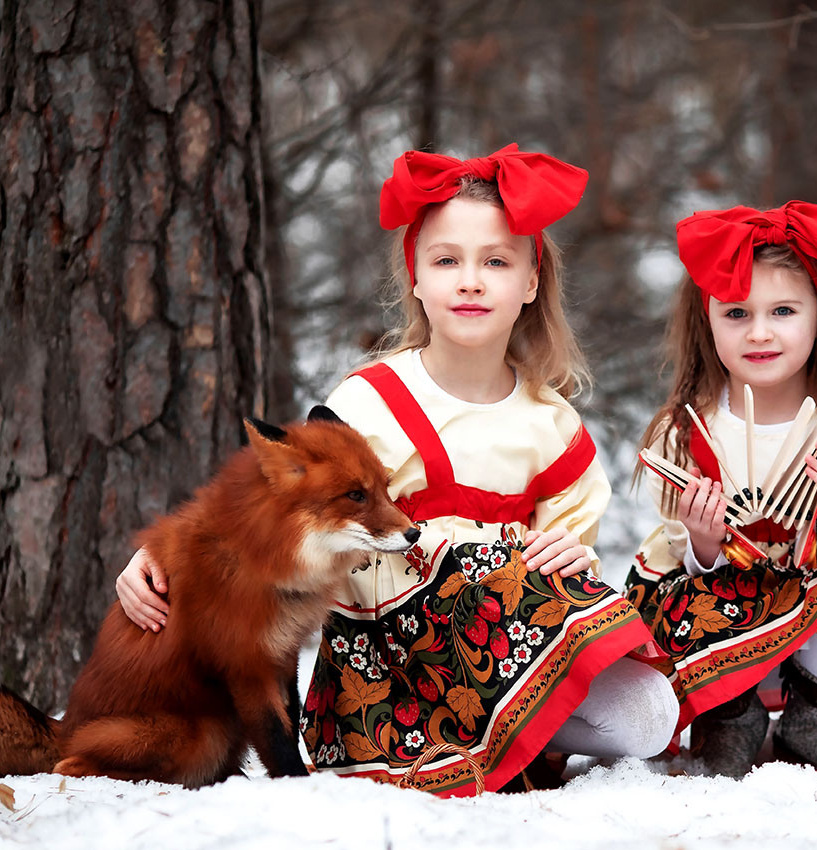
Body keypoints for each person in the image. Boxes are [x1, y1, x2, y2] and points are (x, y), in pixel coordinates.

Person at [116, 144, 679, 795]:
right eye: (447, 260)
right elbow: (271, 511)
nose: (470, 281)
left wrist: (570, 554)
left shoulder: (553, 425)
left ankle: (519, 730)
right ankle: (490, 738)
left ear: (531, 282)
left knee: (650, 715)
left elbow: (568, 559)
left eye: (496, 261)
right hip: (389, 670)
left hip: (511, 643)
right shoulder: (365, 405)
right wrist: (159, 556)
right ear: (415, 276)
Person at [624, 200, 817, 778]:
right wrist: (703, 542)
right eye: (736, 313)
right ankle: (732, 716)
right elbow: (682, 564)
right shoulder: (688, 430)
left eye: (784, 310)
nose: (760, 332)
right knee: (679, 601)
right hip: (727, 619)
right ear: (708, 320)